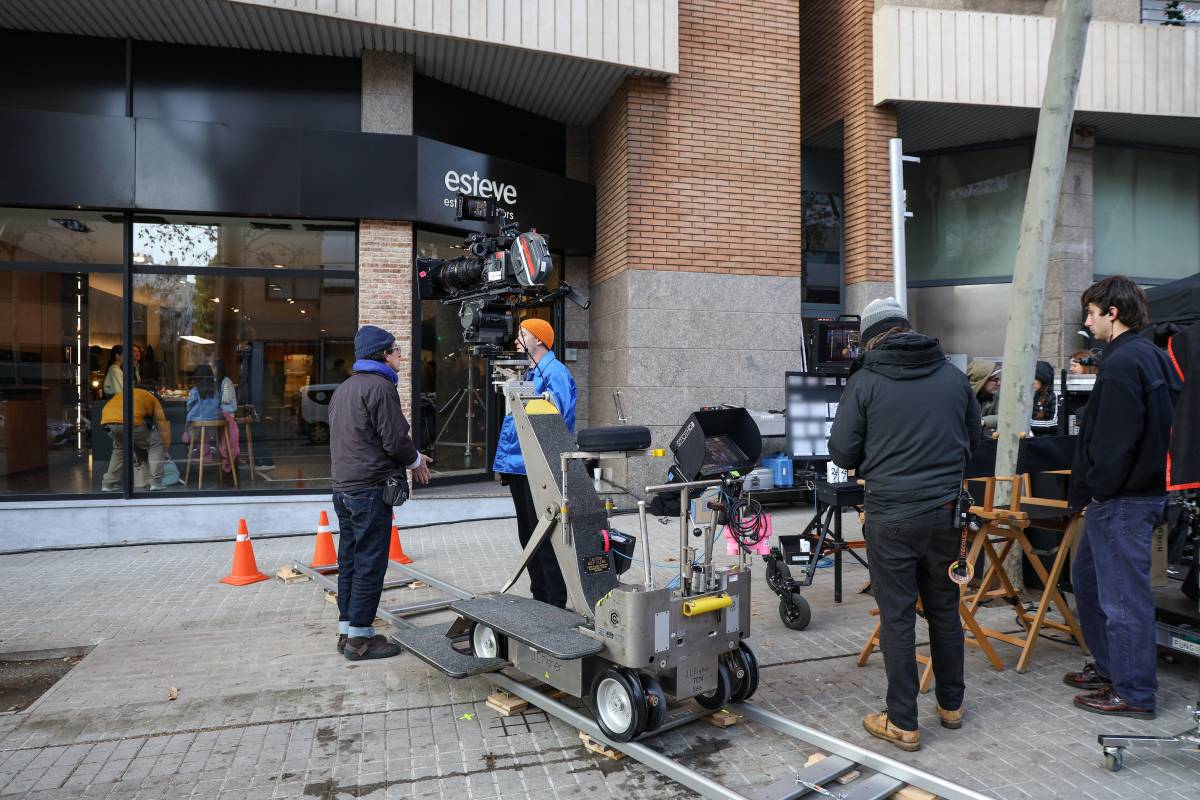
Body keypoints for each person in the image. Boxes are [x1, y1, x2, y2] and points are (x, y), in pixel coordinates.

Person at [828, 297, 981, 752]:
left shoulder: (866, 381)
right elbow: (973, 441)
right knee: (943, 610)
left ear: (871, 337)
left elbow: (841, 453)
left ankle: (902, 722)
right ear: (907, 328)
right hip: (946, 515)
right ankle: (951, 706)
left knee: (896, 618)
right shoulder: (954, 378)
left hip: (891, 515)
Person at [1066, 276, 1180, 719]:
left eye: (1091, 313)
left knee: (1122, 599)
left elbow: (1117, 439)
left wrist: (1100, 489)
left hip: (1124, 500)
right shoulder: (1149, 355)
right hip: (1131, 495)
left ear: (1112, 313)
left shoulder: (1124, 360)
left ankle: (1134, 693)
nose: (1086, 322)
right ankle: (1113, 669)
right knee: (1091, 583)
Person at [328, 325, 432, 660]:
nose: (401, 354)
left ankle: (347, 631)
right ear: (383, 355)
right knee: (371, 562)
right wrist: (415, 459)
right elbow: (394, 439)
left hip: (343, 489)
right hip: (370, 488)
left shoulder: (344, 389)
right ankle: (360, 641)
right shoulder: (381, 387)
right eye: (396, 349)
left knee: (350, 560)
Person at [492, 318, 577, 609]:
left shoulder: (555, 372)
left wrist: (519, 391)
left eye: (523, 333)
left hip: (539, 466)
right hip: (519, 465)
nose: (517, 338)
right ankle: (540, 596)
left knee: (545, 539)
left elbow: (553, 414)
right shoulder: (529, 371)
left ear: (539, 340)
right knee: (528, 536)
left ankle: (555, 602)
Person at [99, 386, 171, 492]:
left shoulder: (122, 393)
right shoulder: (152, 398)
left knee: (119, 450)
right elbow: (162, 424)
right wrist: (165, 447)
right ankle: (155, 482)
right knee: (155, 445)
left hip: (107, 422)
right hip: (131, 421)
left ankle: (108, 484)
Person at [213, 359, 240, 473]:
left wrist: (214, 399)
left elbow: (227, 399)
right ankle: (220, 455)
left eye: (213, 368)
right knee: (220, 437)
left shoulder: (226, 381)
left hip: (228, 414)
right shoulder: (219, 382)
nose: (212, 371)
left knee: (225, 439)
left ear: (218, 369)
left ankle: (225, 456)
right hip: (222, 414)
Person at [1030, 360, 1058, 434]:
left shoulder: (1055, 395)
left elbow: (1054, 422)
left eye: (1034, 378)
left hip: (1048, 441)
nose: (1031, 382)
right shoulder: (1033, 395)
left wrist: (1029, 423)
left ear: (1043, 380)